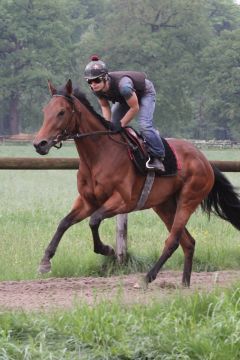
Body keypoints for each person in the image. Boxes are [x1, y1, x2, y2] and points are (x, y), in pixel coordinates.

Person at [84, 55, 165, 172]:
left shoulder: (124, 86)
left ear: (105, 78)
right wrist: (107, 125)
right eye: (89, 81)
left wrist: (121, 124)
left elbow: (134, 108)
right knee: (111, 127)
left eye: (96, 80)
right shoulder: (96, 89)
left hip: (144, 93)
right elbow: (105, 106)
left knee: (144, 126)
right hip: (125, 99)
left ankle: (158, 156)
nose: (93, 84)